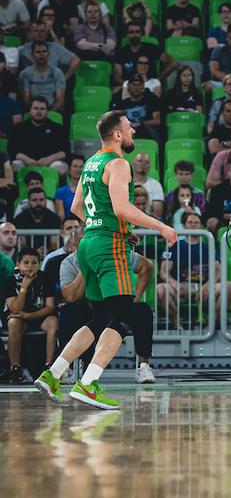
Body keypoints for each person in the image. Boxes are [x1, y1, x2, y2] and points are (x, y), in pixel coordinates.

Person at [33, 111, 177, 409]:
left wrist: (112, 227)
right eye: (129, 127)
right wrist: (160, 226)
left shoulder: (90, 163)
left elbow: (76, 206)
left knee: (98, 318)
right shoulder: (118, 163)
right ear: (117, 135)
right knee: (123, 317)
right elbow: (123, 208)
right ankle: (89, 382)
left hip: (88, 244)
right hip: (108, 247)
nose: (134, 130)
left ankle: (53, 374)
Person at [54, 223, 156, 384]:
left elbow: (147, 266)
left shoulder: (117, 253)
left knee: (142, 311)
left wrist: (135, 296)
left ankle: (143, 366)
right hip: (86, 306)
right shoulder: (68, 263)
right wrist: (86, 264)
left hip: (115, 303)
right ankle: (65, 369)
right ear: (76, 245)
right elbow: (71, 297)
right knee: (70, 313)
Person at [157, 212, 231, 330]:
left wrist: (208, 285)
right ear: (184, 226)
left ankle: (211, 326)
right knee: (160, 289)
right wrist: (175, 284)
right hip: (181, 287)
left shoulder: (208, 246)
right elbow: (163, 271)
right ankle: (177, 324)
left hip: (204, 287)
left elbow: (218, 271)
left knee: (230, 287)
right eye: (190, 222)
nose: (193, 225)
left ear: (202, 226)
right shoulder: (174, 245)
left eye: (196, 222)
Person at [3, 249, 56, 383]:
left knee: (53, 322)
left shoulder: (44, 278)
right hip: (19, 317)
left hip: (38, 316)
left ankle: (49, 368)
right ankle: (15, 368)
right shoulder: (11, 280)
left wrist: (28, 315)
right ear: (18, 264)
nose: (30, 266)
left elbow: (50, 307)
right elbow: (15, 309)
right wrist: (25, 285)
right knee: (13, 323)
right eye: (26, 262)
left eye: (34, 262)